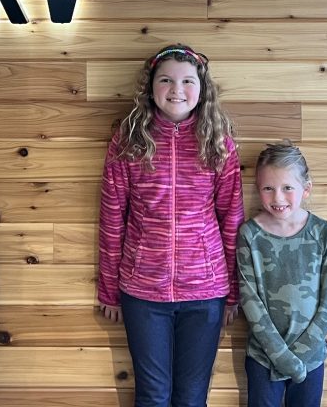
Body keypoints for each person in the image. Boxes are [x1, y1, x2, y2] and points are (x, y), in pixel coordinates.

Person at [98, 43, 244, 407]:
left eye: (187, 81)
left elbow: (232, 217)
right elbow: (112, 215)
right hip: (142, 292)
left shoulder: (219, 143)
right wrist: (108, 289)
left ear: (202, 88)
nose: (176, 90)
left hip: (206, 292)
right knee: (152, 395)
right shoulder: (129, 141)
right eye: (166, 80)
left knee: (192, 397)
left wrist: (234, 291)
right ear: (150, 87)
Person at [237, 141, 327, 407]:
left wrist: (299, 356)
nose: (278, 198)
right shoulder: (250, 234)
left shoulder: (323, 232)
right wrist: (282, 357)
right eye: (268, 189)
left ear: (306, 189)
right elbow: (250, 300)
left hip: (311, 356)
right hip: (263, 355)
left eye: (287, 188)